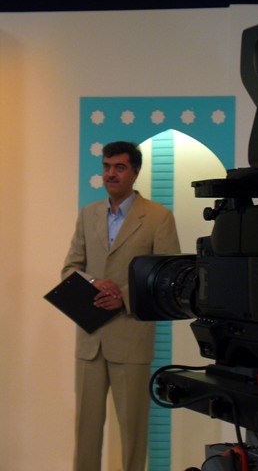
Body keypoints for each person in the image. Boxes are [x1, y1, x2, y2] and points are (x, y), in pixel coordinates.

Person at [61, 141, 181, 471]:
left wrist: (124, 296)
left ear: (135, 172)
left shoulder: (158, 217)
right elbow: (69, 268)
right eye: (106, 167)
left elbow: (169, 277)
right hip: (90, 340)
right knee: (85, 430)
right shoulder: (88, 214)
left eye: (119, 167)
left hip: (131, 340)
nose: (110, 174)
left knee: (133, 430)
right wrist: (92, 283)